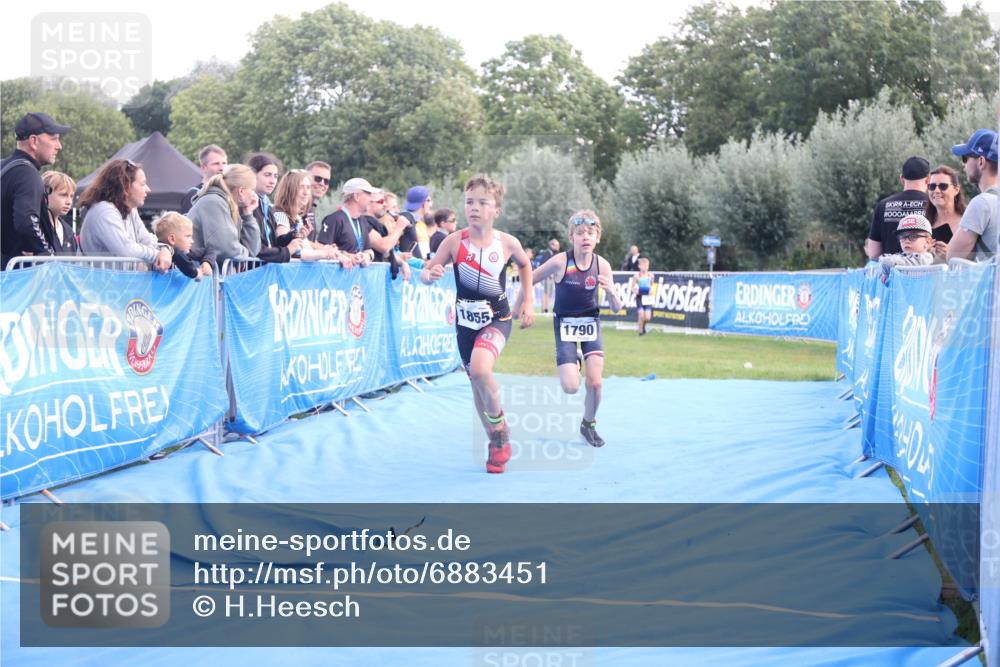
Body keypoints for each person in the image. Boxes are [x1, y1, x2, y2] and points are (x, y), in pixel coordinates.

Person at [420, 174, 535, 474]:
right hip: (465, 326)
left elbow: (525, 266)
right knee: (477, 388)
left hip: (497, 319)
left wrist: (528, 301)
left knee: (483, 370)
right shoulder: (454, 241)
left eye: (483, 202)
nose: (474, 208)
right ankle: (495, 443)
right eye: (470, 202)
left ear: (496, 210)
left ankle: (501, 429)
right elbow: (428, 270)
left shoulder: (508, 243)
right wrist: (429, 275)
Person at [516, 210, 622, 447]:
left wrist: (612, 292)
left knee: (595, 383)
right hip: (564, 324)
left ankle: (588, 424)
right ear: (571, 237)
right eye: (580, 233)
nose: (585, 237)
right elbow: (527, 280)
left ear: (598, 238)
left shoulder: (602, 265)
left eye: (590, 233)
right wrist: (520, 307)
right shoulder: (560, 262)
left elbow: (616, 308)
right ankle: (573, 357)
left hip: (590, 324)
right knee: (571, 387)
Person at [1, 112, 70, 269]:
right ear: (33, 141)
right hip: (14, 278)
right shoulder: (27, 174)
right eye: (54, 138)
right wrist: (48, 255)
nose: (59, 146)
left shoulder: (5, 166)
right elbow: (27, 223)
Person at [79, 159, 172, 271]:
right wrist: (157, 254)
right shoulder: (104, 211)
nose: (148, 189)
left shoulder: (131, 209)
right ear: (126, 186)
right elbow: (126, 249)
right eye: (142, 184)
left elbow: (146, 239)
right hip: (96, 286)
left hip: (114, 284)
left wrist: (165, 249)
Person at [187, 164, 262, 267]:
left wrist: (248, 214)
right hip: (199, 278)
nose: (254, 195)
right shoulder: (214, 202)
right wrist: (245, 255)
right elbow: (226, 249)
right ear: (241, 191)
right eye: (252, 190)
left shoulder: (225, 203)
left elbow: (252, 250)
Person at [947, 129, 998, 262]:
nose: (963, 165)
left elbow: (951, 257)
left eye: (965, 158)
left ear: (981, 161)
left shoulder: (982, 203)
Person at [271, 169, 340, 263]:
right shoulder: (280, 215)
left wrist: (327, 250)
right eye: (301, 187)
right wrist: (324, 253)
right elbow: (294, 252)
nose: (306, 192)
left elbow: (305, 248)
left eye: (308, 187)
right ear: (289, 190)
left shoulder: (297, 217)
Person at [866, 156, 929, 259]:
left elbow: (874, 253)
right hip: (925, 271)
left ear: (901, 179)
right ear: (928, 180)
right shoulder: (933, 204)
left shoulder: (883, 205)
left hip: (893, 272)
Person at [316, 177, 383, 267]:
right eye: (368, 194)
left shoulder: (362, 220)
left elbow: (368, 250)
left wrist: (367, 256)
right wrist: (344, 255)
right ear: (356, 196)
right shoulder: (334, 219)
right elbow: (321, 250)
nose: (371, 199)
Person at [924, 165, 967, 260]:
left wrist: (950, 255)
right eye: (932, 186)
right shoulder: (923, 223)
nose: (936, 190)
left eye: (943, 186)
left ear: (956, 190)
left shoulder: (967, 221)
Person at [154, 212, 212, 280]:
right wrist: (196, 273)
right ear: (172, 239)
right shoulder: (160, 252)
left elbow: (209, 250)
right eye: (188, 236)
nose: (192, 241)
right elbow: (178, 255)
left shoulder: (188, 253)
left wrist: (207, 262)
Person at [877, 214, 935, 282]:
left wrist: (884, 271)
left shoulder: (925, 259)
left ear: (928, 242)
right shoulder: (904, 257)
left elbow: (887, 262)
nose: (906, 241)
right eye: (903, 237)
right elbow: (883, 258)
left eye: (913, 236)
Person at [41, 171, 80, 256]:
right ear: (45, 194)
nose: (69, 202)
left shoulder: (68, 231)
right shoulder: (33, 227)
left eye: (71, 196)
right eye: (63, 195)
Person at [180, 145, 227, 214]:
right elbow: (187, 224)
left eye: (224, 163)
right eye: (216, 164)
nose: (222, 168)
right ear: (203, 167)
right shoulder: (193, 195)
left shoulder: (229, 193)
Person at [399, 186, 433, 258]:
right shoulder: (405, 221)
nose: (431, 205)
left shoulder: (421, 224)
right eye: (429, 200)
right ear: (423, 203)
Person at [534, 238, 561, 313]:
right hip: (547, 277)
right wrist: (549, 273)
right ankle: (544, 309)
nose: (558, 247)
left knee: (549, 293)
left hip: (552, 277)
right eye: (556, 245)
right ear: (551, 245)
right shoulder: (547, 253)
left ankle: (546, 309)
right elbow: (543, 265)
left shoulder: (554, 254)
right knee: (545, 292)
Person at [631, 257, 654, 336]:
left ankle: (643, 327)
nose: (644, 267)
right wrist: (635, 291)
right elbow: (632, 287)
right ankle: (640, 332)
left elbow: (652, 286)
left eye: (646, 266)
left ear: (648, 266)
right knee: (641, 315)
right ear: (639, 266)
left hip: (647, 298)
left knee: (647, 317)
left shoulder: (651, 275)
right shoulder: (636, 276)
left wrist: (651, 291)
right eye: (643, 265)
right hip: (639, 297)